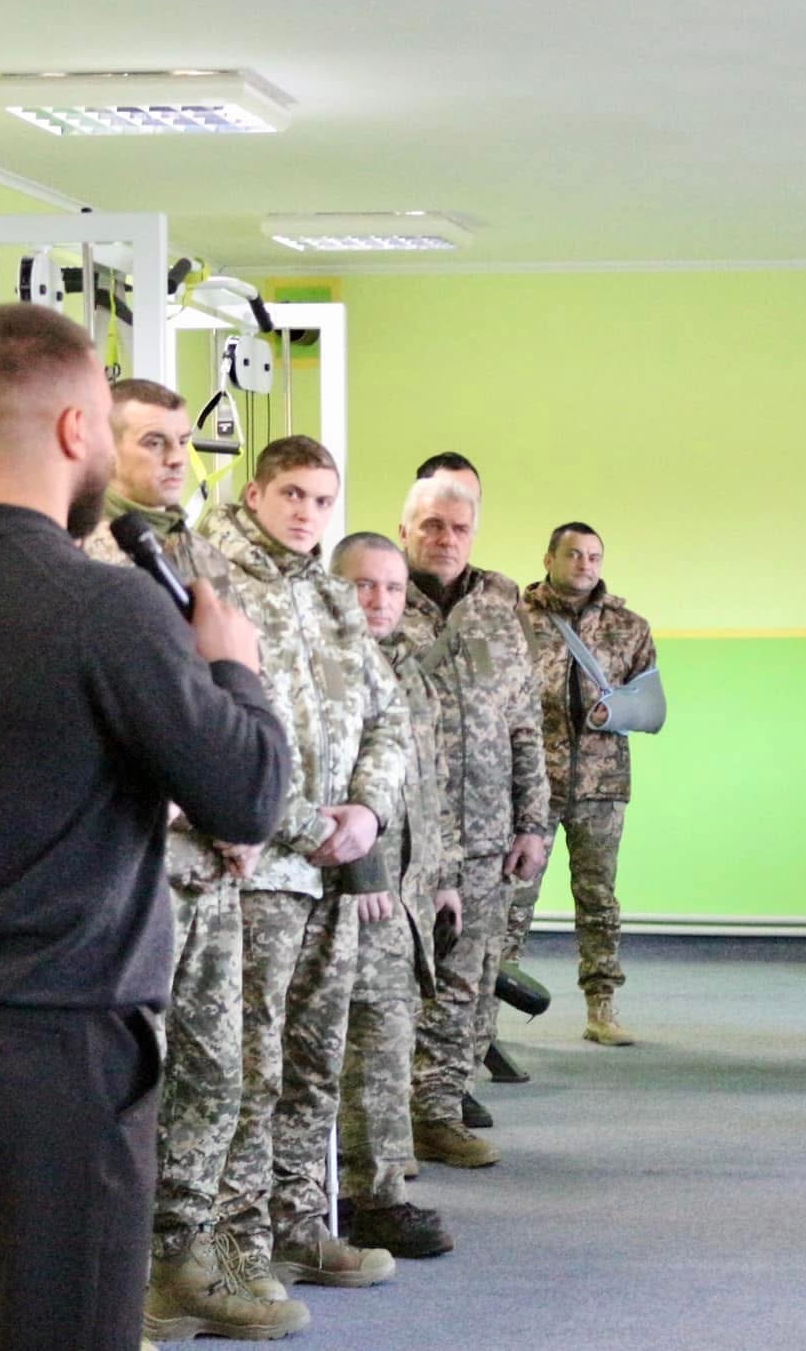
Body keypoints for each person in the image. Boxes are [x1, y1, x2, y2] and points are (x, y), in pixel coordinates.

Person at [0, 304, 290, 1349]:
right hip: (54, 1051)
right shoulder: (100, 608)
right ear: (79, 429)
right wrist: (234, 667)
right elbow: (249, 795)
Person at [81, 379, 309, 1340]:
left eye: (182, 442)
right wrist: (195, 792)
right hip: (140, 867)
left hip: (217, 865)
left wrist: (242, 804)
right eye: (152, 441)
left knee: (216, 1074)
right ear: (101, 443)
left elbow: (238, 682)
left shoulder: (193, 554)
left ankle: (182, 1262)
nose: (176, 457)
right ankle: (118, 1281)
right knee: (136, 1083)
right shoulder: (88, 560)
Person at [198, 435, 410, 1293]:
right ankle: (236, 1248)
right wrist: (297, 824)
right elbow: (207, 724)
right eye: (292, 494)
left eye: (323, 500)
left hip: (331, 873)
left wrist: (366, 815)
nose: (307, 513)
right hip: (258, 874)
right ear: (255, 494)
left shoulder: (328, 595)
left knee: (317, 1063)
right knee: (249, 1069)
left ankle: (297, 1224)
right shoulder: (210, 582)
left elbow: (389, 717)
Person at [401, 475, 552, 1162]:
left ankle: (437, 1110)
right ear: (406, 529)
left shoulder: (497, 612)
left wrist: (532, 822)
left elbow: (524, 722)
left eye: (459, 528)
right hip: (405, 836)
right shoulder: (378, 601)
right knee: (400, 984)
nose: (446, 539)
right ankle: (385, 1122)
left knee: (466, 983)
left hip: (487, 834)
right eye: (432, 525)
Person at [332, 531, 465, 1256]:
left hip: (406, 893)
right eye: (363, 585)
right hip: (352, 890)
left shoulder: (407, 668)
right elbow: (321, 777)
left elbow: (424, 787)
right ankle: (369, 1197)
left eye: (391, 587)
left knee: (386, 1039)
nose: (379, 600)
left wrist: (440, 879)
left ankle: (368, 1187)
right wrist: (363, 872)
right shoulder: (322, 665)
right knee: (366, 1042)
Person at [513, 521, 658, 1046]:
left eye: (594, 556)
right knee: (511, 899)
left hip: (602, 784)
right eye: (574, 554)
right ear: (549, 559)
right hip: (529, 783)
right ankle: (485, 1013)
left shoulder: (629, 626)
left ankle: (602, 1010)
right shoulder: (515, 620)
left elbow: (651, 706)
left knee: (598, 900)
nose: (584, 564)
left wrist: (617, 711)